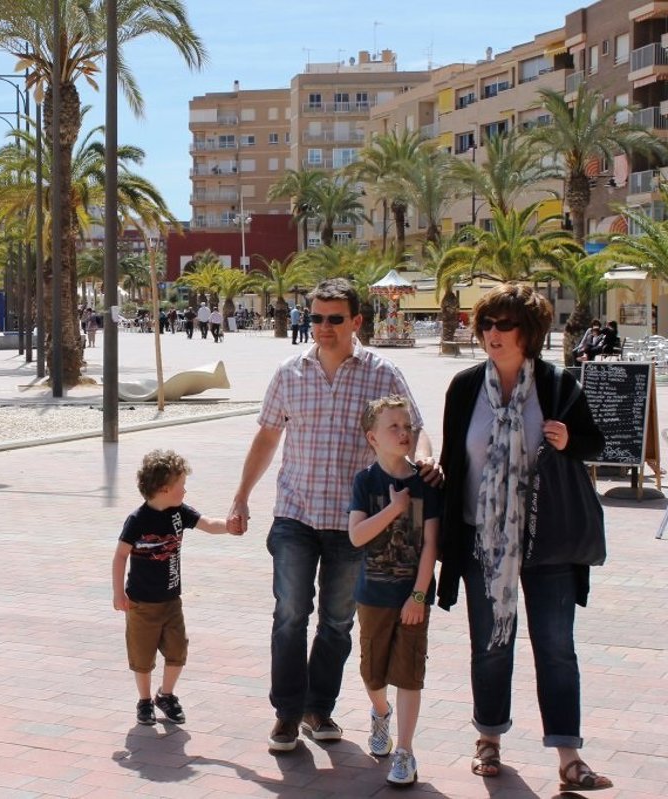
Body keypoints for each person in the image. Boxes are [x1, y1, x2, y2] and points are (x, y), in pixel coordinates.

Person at [227, 278, 435, 753]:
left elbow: (415, 427)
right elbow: (267, 437)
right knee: (290, 614)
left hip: (353, 523)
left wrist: (424, 457)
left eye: (334, 318)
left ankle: (318, 708)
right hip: (295, 514)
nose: (323, 326)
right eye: (316, 317)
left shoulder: (382, 373)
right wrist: (241, 496)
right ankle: (286, 714)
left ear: (356, 321)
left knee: (338, 621)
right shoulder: (289, 372)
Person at [437, 283, 611, 791]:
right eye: (486, 324)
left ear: (528, 333)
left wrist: (569, 440)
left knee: (556, 647)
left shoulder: (556, 386)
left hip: (548, 542)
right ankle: (488, 739)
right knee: (491, 645)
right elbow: (453, 460)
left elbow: (595, 443)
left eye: (504, 325)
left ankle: (569, 757)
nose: (492, 333)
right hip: (482, 541)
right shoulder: (465, 387)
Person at [348, 395, 441, 787]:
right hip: (372, 596)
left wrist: (419, 595)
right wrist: (393, 509)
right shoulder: (365, 481)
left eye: (407, 427)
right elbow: (356, 536)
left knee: (409, 674)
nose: (404, 434)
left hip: (411, 597)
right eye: (394, 427)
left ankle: (404, 751)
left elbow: (431, 544)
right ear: (373, 437)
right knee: (372, 673)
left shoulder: (426, 482)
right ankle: (380, 713)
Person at [112, 450, 235, 726]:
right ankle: (144, 701)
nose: (185, 490)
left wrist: (230, 526)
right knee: (142, 656)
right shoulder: (137, 520)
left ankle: (165, 695)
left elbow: (208, 524)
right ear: (164, 489)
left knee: (178, 651)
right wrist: (118, 593)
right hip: (141, 604)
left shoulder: (179, 513)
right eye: (182, 484)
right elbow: (120, 555)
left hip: (171, 601)